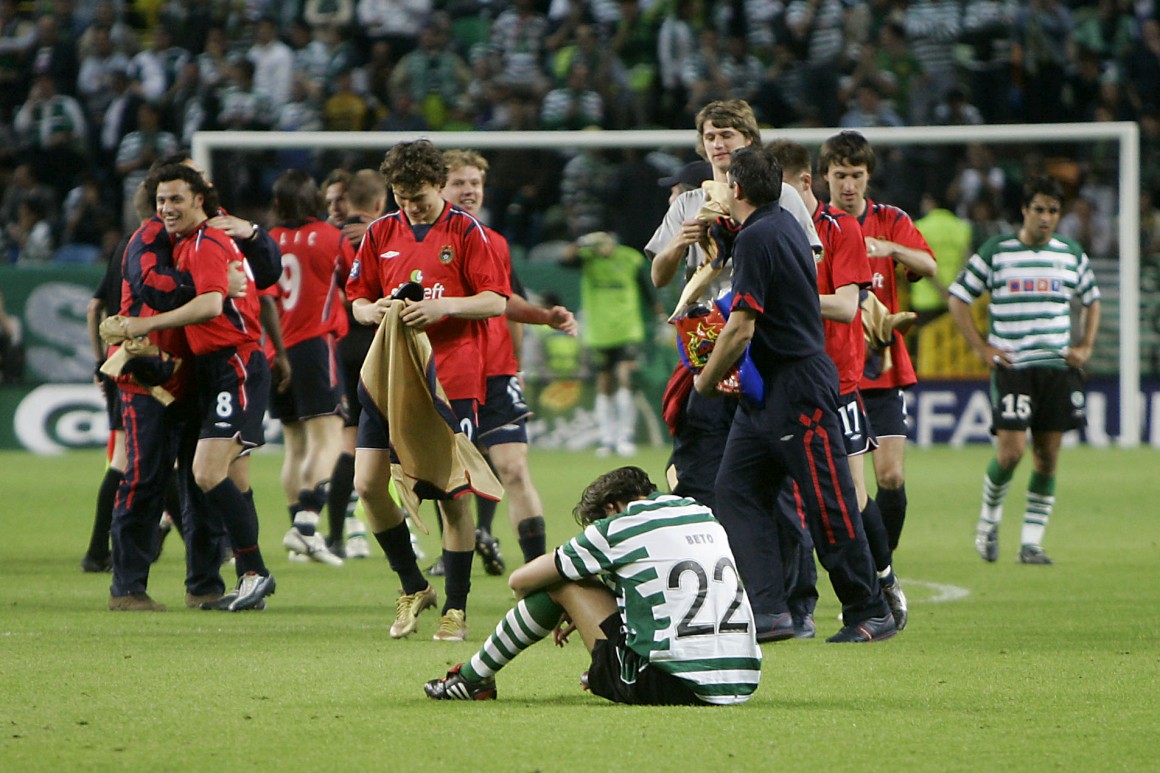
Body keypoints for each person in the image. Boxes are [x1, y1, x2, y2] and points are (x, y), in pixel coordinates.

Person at [694, 145, 896, 643]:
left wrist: (704, 380)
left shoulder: (762, 236)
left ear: (737, 189)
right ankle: (770, 610)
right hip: (767, 392)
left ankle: (870, 610)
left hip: (796, 385)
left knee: (826, 499)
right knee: (736, 491)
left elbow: (741, 327)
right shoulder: (780, 225)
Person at [345, 139, 508, 641]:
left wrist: (445, 308)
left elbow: (495, 301)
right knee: (369, 485)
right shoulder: (379, 233)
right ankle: (413, 586)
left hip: (450, 379)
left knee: (450, 495)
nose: (408, 205)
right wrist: (370, 311)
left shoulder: (467, 231)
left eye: (417, 196)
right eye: (400, 195)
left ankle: (455, 609)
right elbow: (357, 297)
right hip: (389, 375)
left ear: (439, 185)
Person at [423, 466, 761, 704]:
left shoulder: (619, 525)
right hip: (743, 679)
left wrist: (577, 589)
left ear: (613, 507)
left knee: (560, 585)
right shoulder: (701, 513)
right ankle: (605, 671)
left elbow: (520, 581)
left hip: (675, 685)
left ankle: (471, 678)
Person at [643, 98, 819, 518]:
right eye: (710, 136)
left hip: (763, 345)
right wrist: (680, 242)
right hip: (706, 349)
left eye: (727, 135)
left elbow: (810, 262)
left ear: (749, 139)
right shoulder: (687, 204)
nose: (718, 144)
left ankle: (788, 578)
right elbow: (659, 275)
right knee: (701, 467)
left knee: (772, 475)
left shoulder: (783, 196)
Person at [119, 163, 276, 612]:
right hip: (218, 367)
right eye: (161, 201)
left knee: (207, 473)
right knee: (235, 477)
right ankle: (251, 578)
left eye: (176, 199)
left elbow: (210, 304)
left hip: (234, 363)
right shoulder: (191, 242)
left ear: (200, 200)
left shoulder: (206, 241)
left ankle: (255, 572)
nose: (167, 208)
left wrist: (144, 323)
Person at [770, 138, 908, 634]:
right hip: (785, 380)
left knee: (850, 494)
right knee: (782, 494)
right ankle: (790, 606)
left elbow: (848, 305)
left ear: (804, 183)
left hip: (838, 381)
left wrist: (781, 295)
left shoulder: (839, 229)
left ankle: (881, 584)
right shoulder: (777, 228)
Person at [948, 175, 1101, 565]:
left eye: (1053, 210)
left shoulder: (1069, 253)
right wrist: (981, 346)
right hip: (1014, 366)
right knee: (1012, 451)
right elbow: (959, 297)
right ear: (1024, 210)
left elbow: (1092, 299)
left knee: (1047, 456)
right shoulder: (998, 251)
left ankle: (1031, 542)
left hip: (1057, 367)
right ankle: (989, 520)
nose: (1046, 218)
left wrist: (1084, 346)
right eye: (1039, 209)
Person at [439, 148, 578, 574]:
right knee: (449, 483)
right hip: (445, 371)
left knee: (514, 469)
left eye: (475, 184)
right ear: (439, 188)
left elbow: (503, 301)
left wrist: (542, 317)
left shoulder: (490, 240)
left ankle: (537, 574)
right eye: (459, 183)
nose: (469, 191)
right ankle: (452, 566)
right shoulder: (425, 243)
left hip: (495, 370)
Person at [820, 130, 937, 554]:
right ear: (825, 178)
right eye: (839, 176)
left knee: (889, 477)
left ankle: (883, 565)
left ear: (869, 177)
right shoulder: (816, 227)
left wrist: (888, 247)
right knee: (847, 486)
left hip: (881, 368)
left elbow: (928, 264)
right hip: (832, 370)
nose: (848, 185)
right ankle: (867, 573)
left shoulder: (891, 219)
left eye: (856, 175)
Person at [266, 169, 352, 568]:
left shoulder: (268, 240)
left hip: (274, 351)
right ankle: (304, 526)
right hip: (314, 346)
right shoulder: (332, 237)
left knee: (294, 444)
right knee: (329, 438)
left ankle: (302, 535)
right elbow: (356, 285)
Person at [561, 230, 655, 458]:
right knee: (605, 383)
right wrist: (581, 242)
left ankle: (625, 437)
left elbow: (646, 288)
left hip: (627, 328)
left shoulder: (629, 258)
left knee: (624, 377)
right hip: (600, 331)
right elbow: (563, 260)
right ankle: (607, 438)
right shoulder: (587, 258)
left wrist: (659, 314)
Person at [325, 168, 379, 558]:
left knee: (349, 441)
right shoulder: (387, 235)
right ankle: (410, 527)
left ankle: (336, 535)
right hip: (378, 344)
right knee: (402, 442)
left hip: (341, 346)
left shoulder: (330, 238)